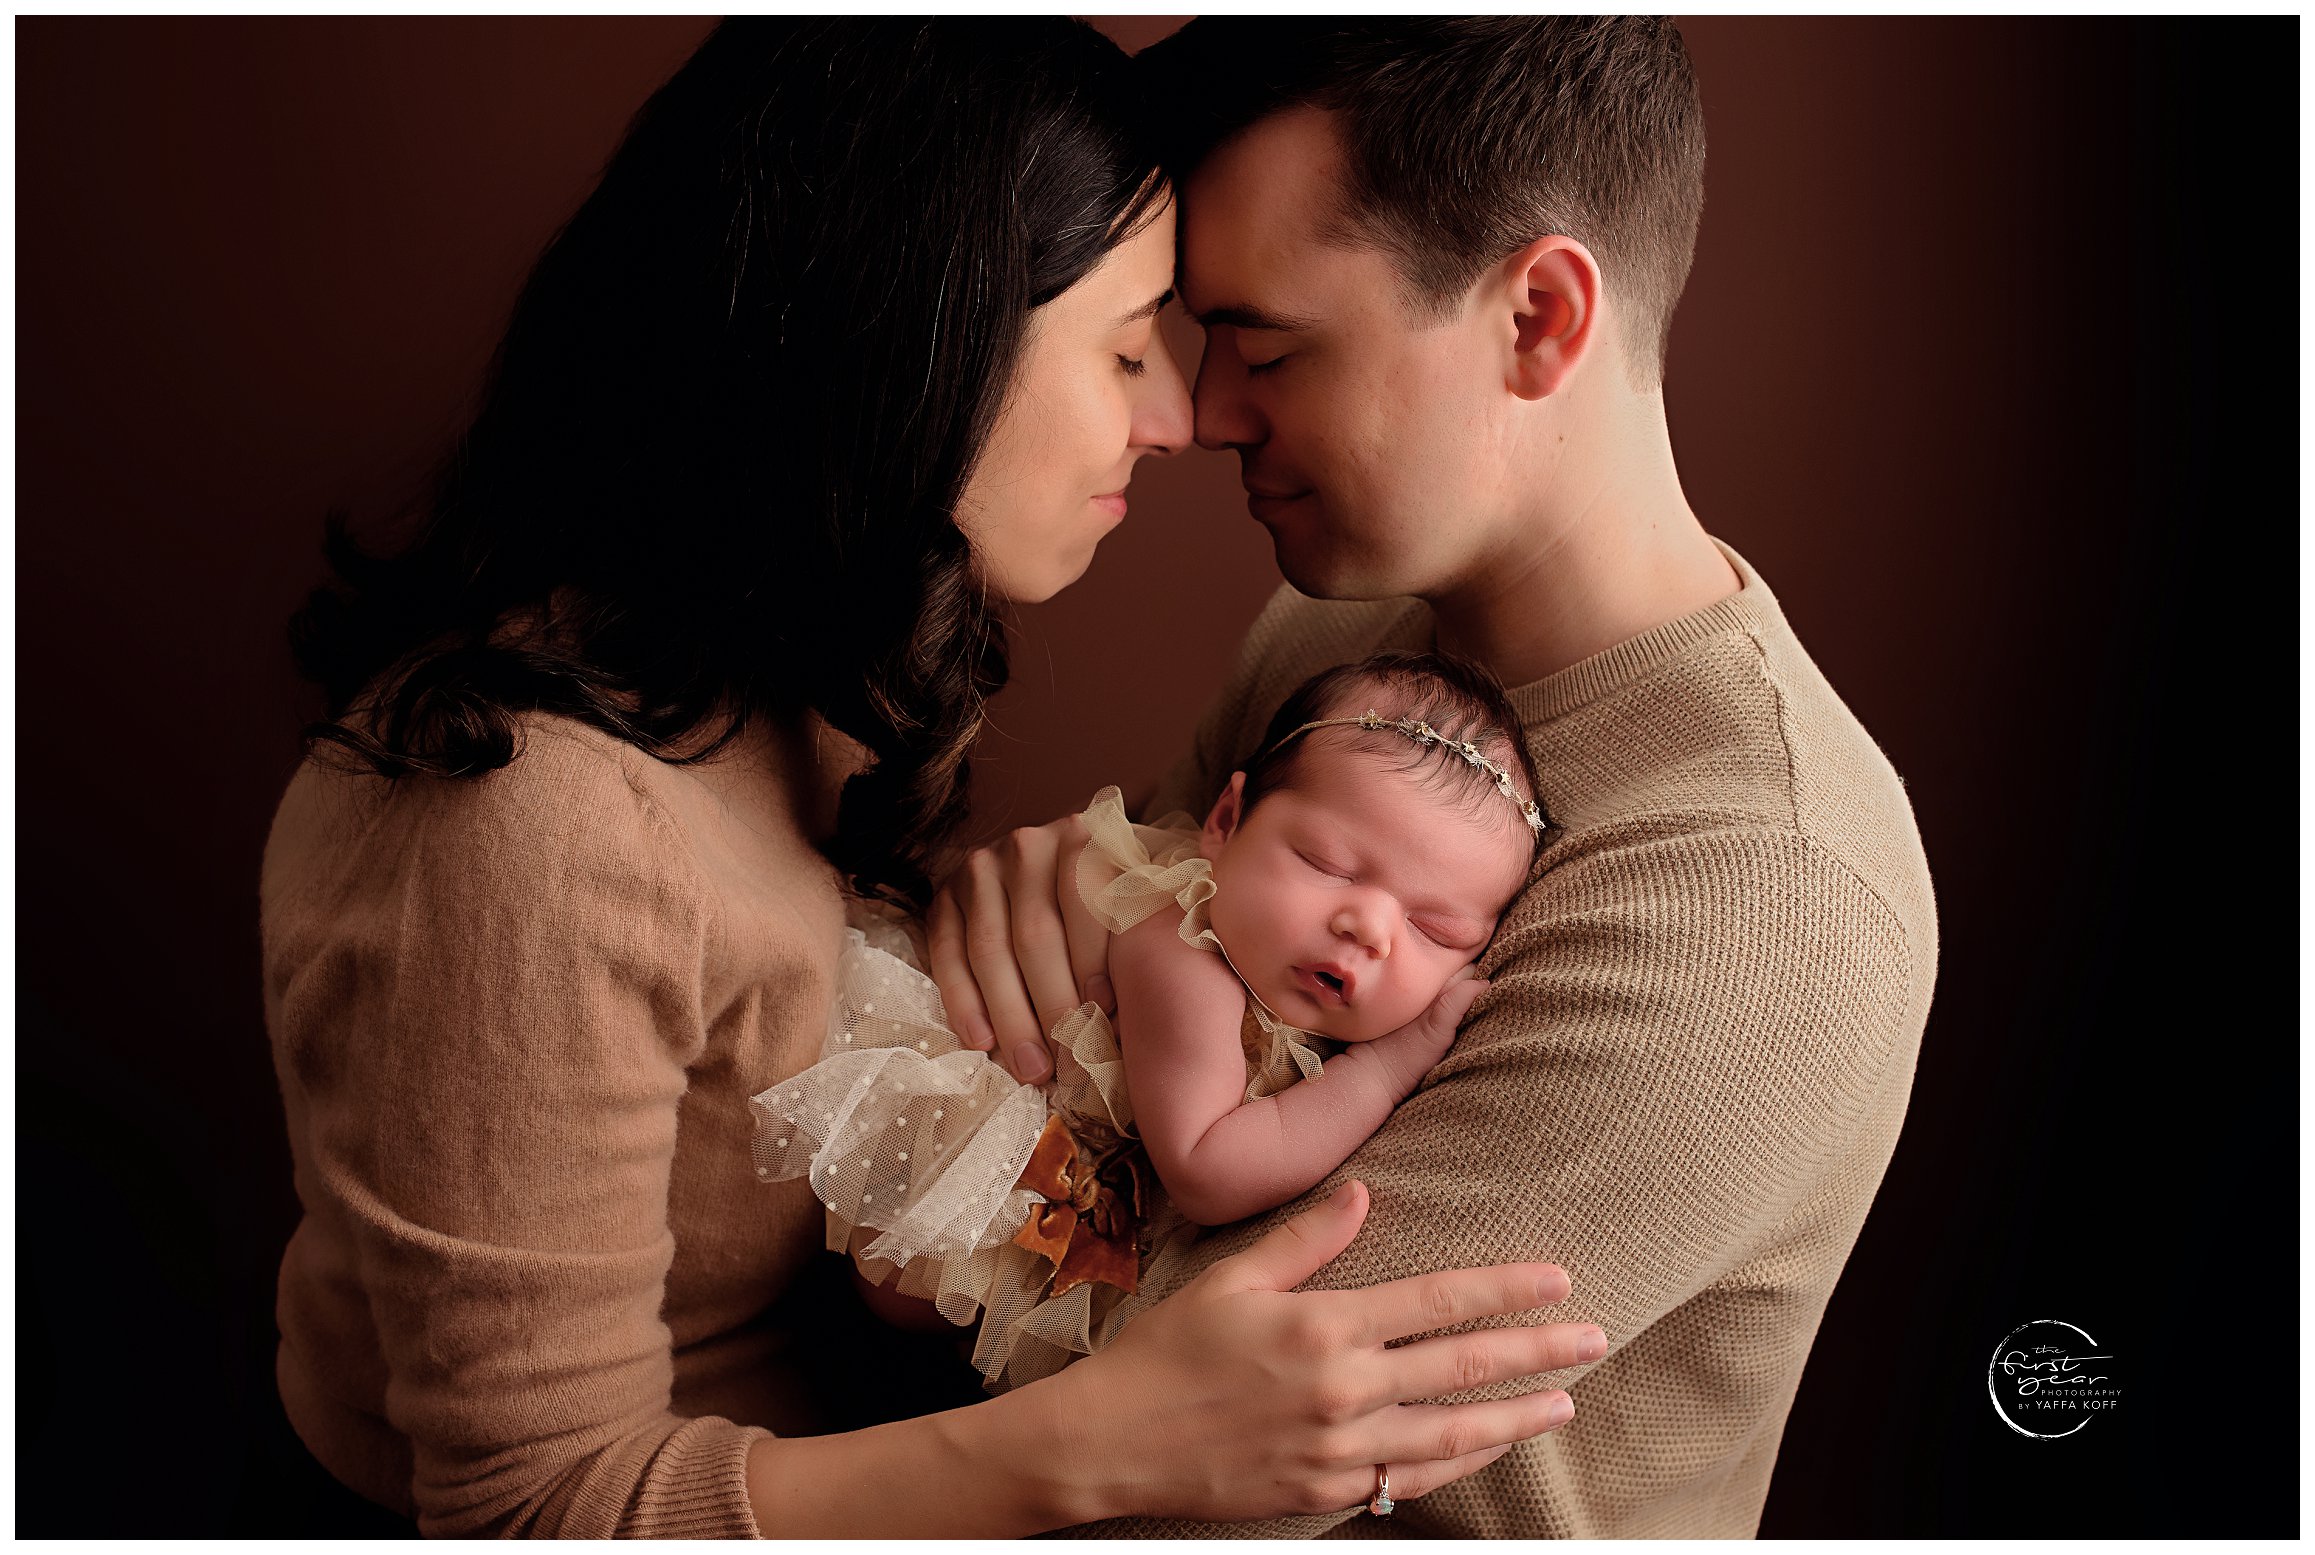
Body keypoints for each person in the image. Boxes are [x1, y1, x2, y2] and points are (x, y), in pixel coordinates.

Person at [261, 18, 1597, 1539]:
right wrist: (1097, 1442)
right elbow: (527, 1508)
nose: (1176, 416)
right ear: (911, 349)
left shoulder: (803, 685)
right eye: (1120, 346)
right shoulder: (525, 827)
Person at [927, 18, 1938, 1539]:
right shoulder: (1340, 636)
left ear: (1535, 316)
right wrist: (1007, 939)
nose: (1203, 416)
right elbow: (1074, 1035)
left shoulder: (1760, 883)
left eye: (1266, 351)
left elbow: (1169, 1433)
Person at [756, 651, 1546, 1391]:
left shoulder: (1272, 964)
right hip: (907, 1243)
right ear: (1227, 821)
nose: (1368, 929)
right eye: (1327, 864)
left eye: (1434, 931)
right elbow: (1207, 1168)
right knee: (893, 1317)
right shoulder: (1182, 948)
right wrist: (1384, 1065)